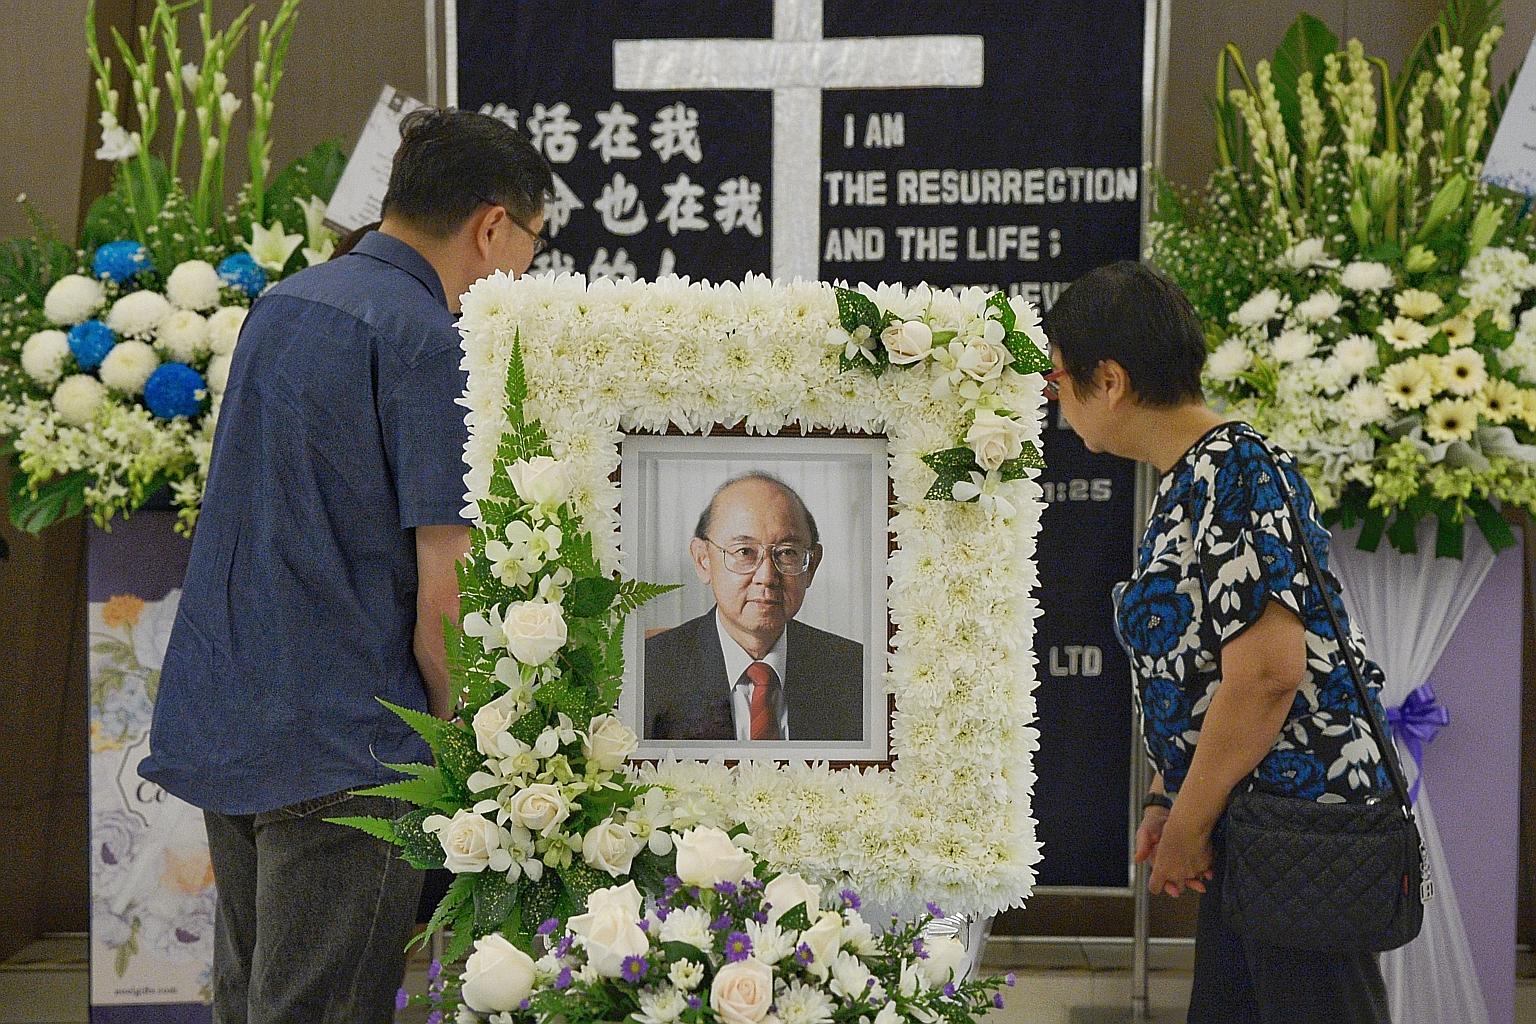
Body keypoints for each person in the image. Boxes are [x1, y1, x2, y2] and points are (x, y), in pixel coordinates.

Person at [139, 108, 552, 1024]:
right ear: (492, 226)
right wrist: (467, 764)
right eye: (533, 242)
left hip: (232, 714)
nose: (527, 268)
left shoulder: (284, 304)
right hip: (349, 747)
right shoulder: (430, 339)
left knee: (253, 1005)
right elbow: (443, 596)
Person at [1042, 261, 1394, 1024]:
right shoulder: (1188, 478)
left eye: (1057, 379)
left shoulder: (1236, 468)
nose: (1056, 402)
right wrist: (1172, 797)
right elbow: (1203, 670)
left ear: (1109, 380)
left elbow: (1266, 674)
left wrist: (1189, 826)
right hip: (1254, 826)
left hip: (1302, 828)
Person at [644, 473, 864, 742]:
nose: (767, 577)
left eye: (787, 552)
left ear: (812, 565)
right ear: (703, 560)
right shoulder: (646, 672)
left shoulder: (857, 673)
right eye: (745, 552)